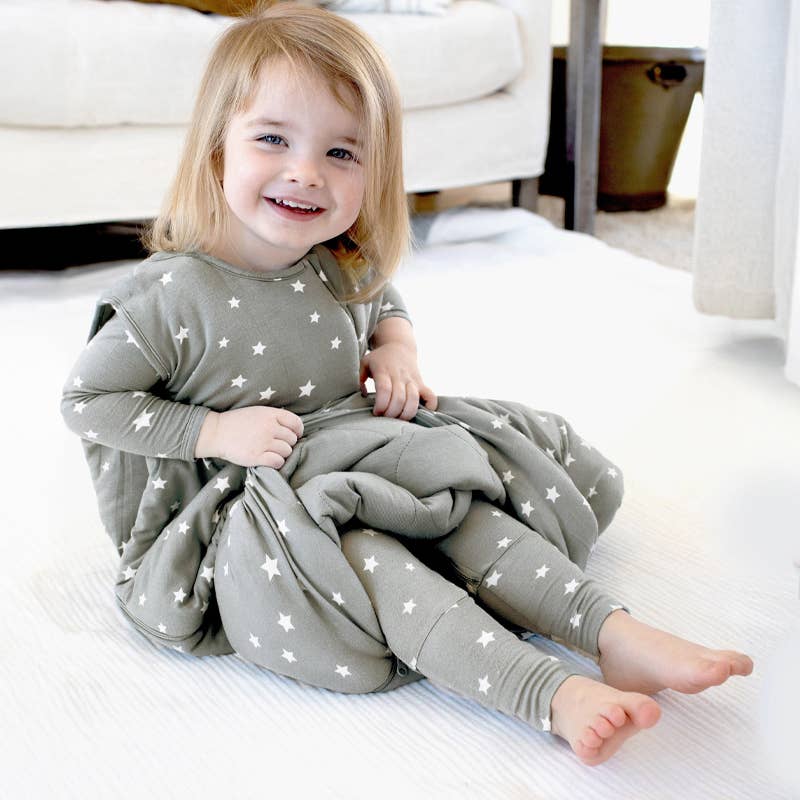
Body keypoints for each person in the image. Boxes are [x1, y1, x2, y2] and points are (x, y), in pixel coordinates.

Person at [60, 0, 753, 767]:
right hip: (249, 505)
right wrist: (213, 432)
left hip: (349, 454)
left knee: (460, 509)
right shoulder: (168, 299)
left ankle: (610, 631)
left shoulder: (334, 259)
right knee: (376, 564)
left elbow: (382, 301)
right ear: (217, 147)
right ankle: (547, 692)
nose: (306, 171)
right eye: (273, 139)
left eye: (342, 152)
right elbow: (87, 403)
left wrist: (396, 347)